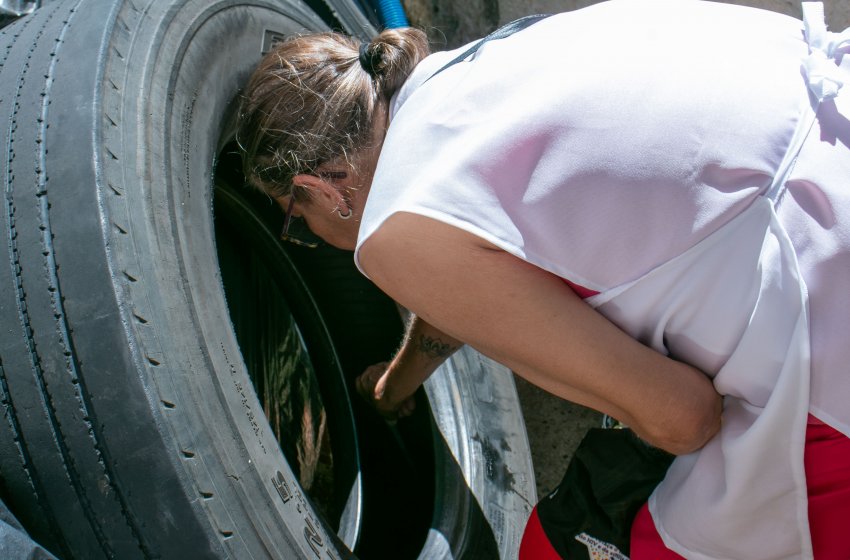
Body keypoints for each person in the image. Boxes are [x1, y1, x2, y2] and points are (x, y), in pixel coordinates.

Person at [236, 0, 850, 558]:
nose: (311, 238)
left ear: (320, 187)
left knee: (554, 550)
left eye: (298, 221)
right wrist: (398, 386)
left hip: (824, 323)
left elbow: (685, 417)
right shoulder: (472, 72)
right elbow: (471, 281)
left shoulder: (389, 232)